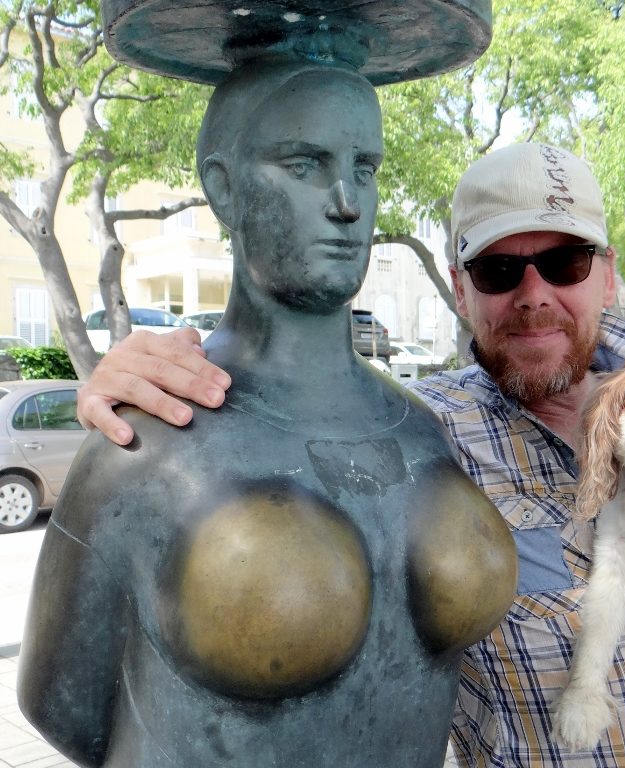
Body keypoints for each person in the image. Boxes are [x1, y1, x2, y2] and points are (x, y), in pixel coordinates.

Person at [78, 143, 625, 767]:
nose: (533, 294)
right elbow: (268, 429)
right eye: (499, 270)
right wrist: (142, 387)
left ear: (605, 274)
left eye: (564, 263)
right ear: (460, 288)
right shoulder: (420, 430)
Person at [20, 59, 515, 768]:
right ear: (224, 187)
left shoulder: (423, 430)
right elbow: (63, 707)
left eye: (365, 168)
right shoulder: (153, 438)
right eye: (304, 165)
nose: (347, 203)